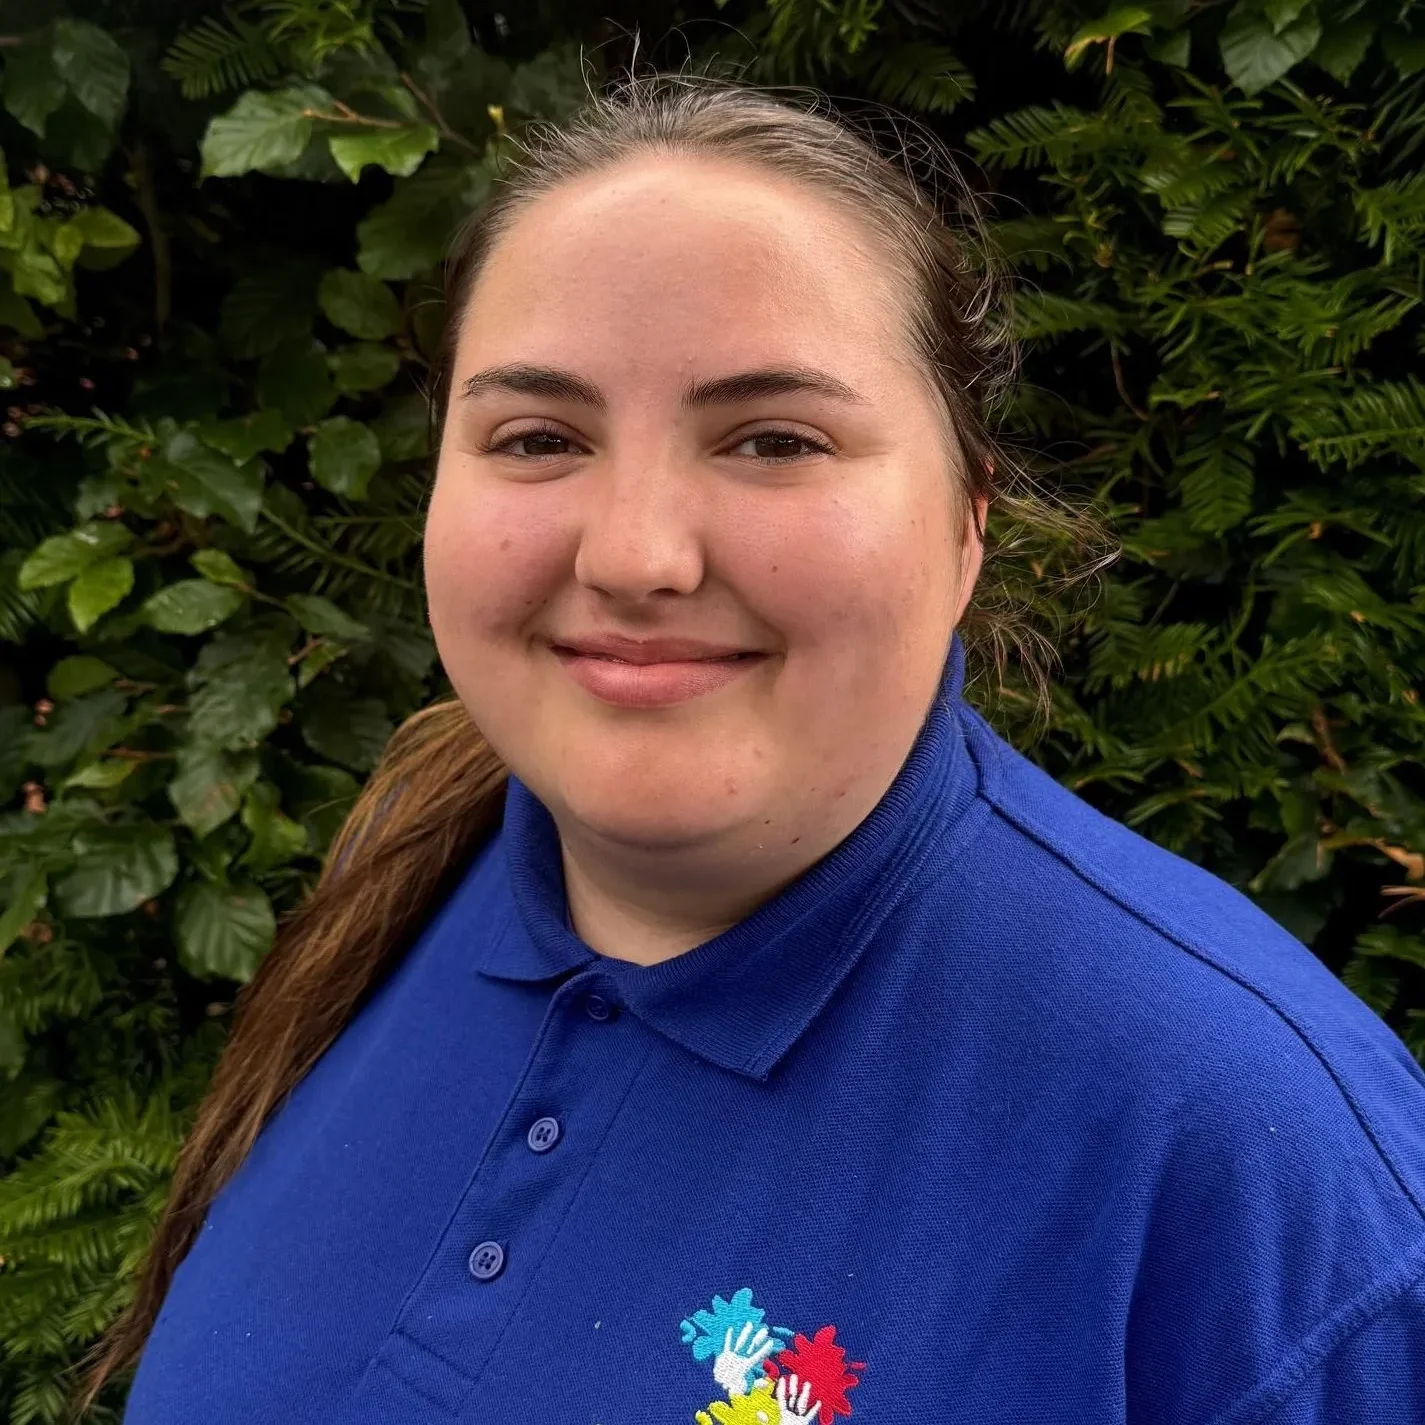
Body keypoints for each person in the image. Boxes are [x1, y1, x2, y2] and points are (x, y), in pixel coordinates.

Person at [85, 70, 1425, 1425]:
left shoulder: (1262, 1167)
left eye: (775, 440)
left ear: (967, 520)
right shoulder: (407, 864)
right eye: (538, 437)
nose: (636, 556)